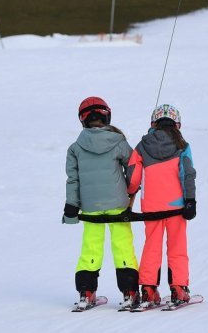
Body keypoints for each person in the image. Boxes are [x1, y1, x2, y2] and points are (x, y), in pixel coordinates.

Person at [63, 97, 140, 311]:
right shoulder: (118, 142)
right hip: (118, 204)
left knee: (90, 248)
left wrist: (71, 205)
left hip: (90, 207)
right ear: (107, 116)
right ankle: (130, 292)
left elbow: (73, 179)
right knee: (123, 246)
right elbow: (134, 167)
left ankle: (86, 293)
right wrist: (130, 189)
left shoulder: (75, 148)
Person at [127, 104, 197, 308]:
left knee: (152, 247)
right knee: (177, 247)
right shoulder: (182, 145)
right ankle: (179, 288)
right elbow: (188, 174)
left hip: (151, 208)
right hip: (177, 207)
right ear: (177, 124)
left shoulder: (142, 146)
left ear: (153, 123)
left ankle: (148, 289)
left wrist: (130, 192)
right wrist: (190, 200)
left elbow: (133, 176)